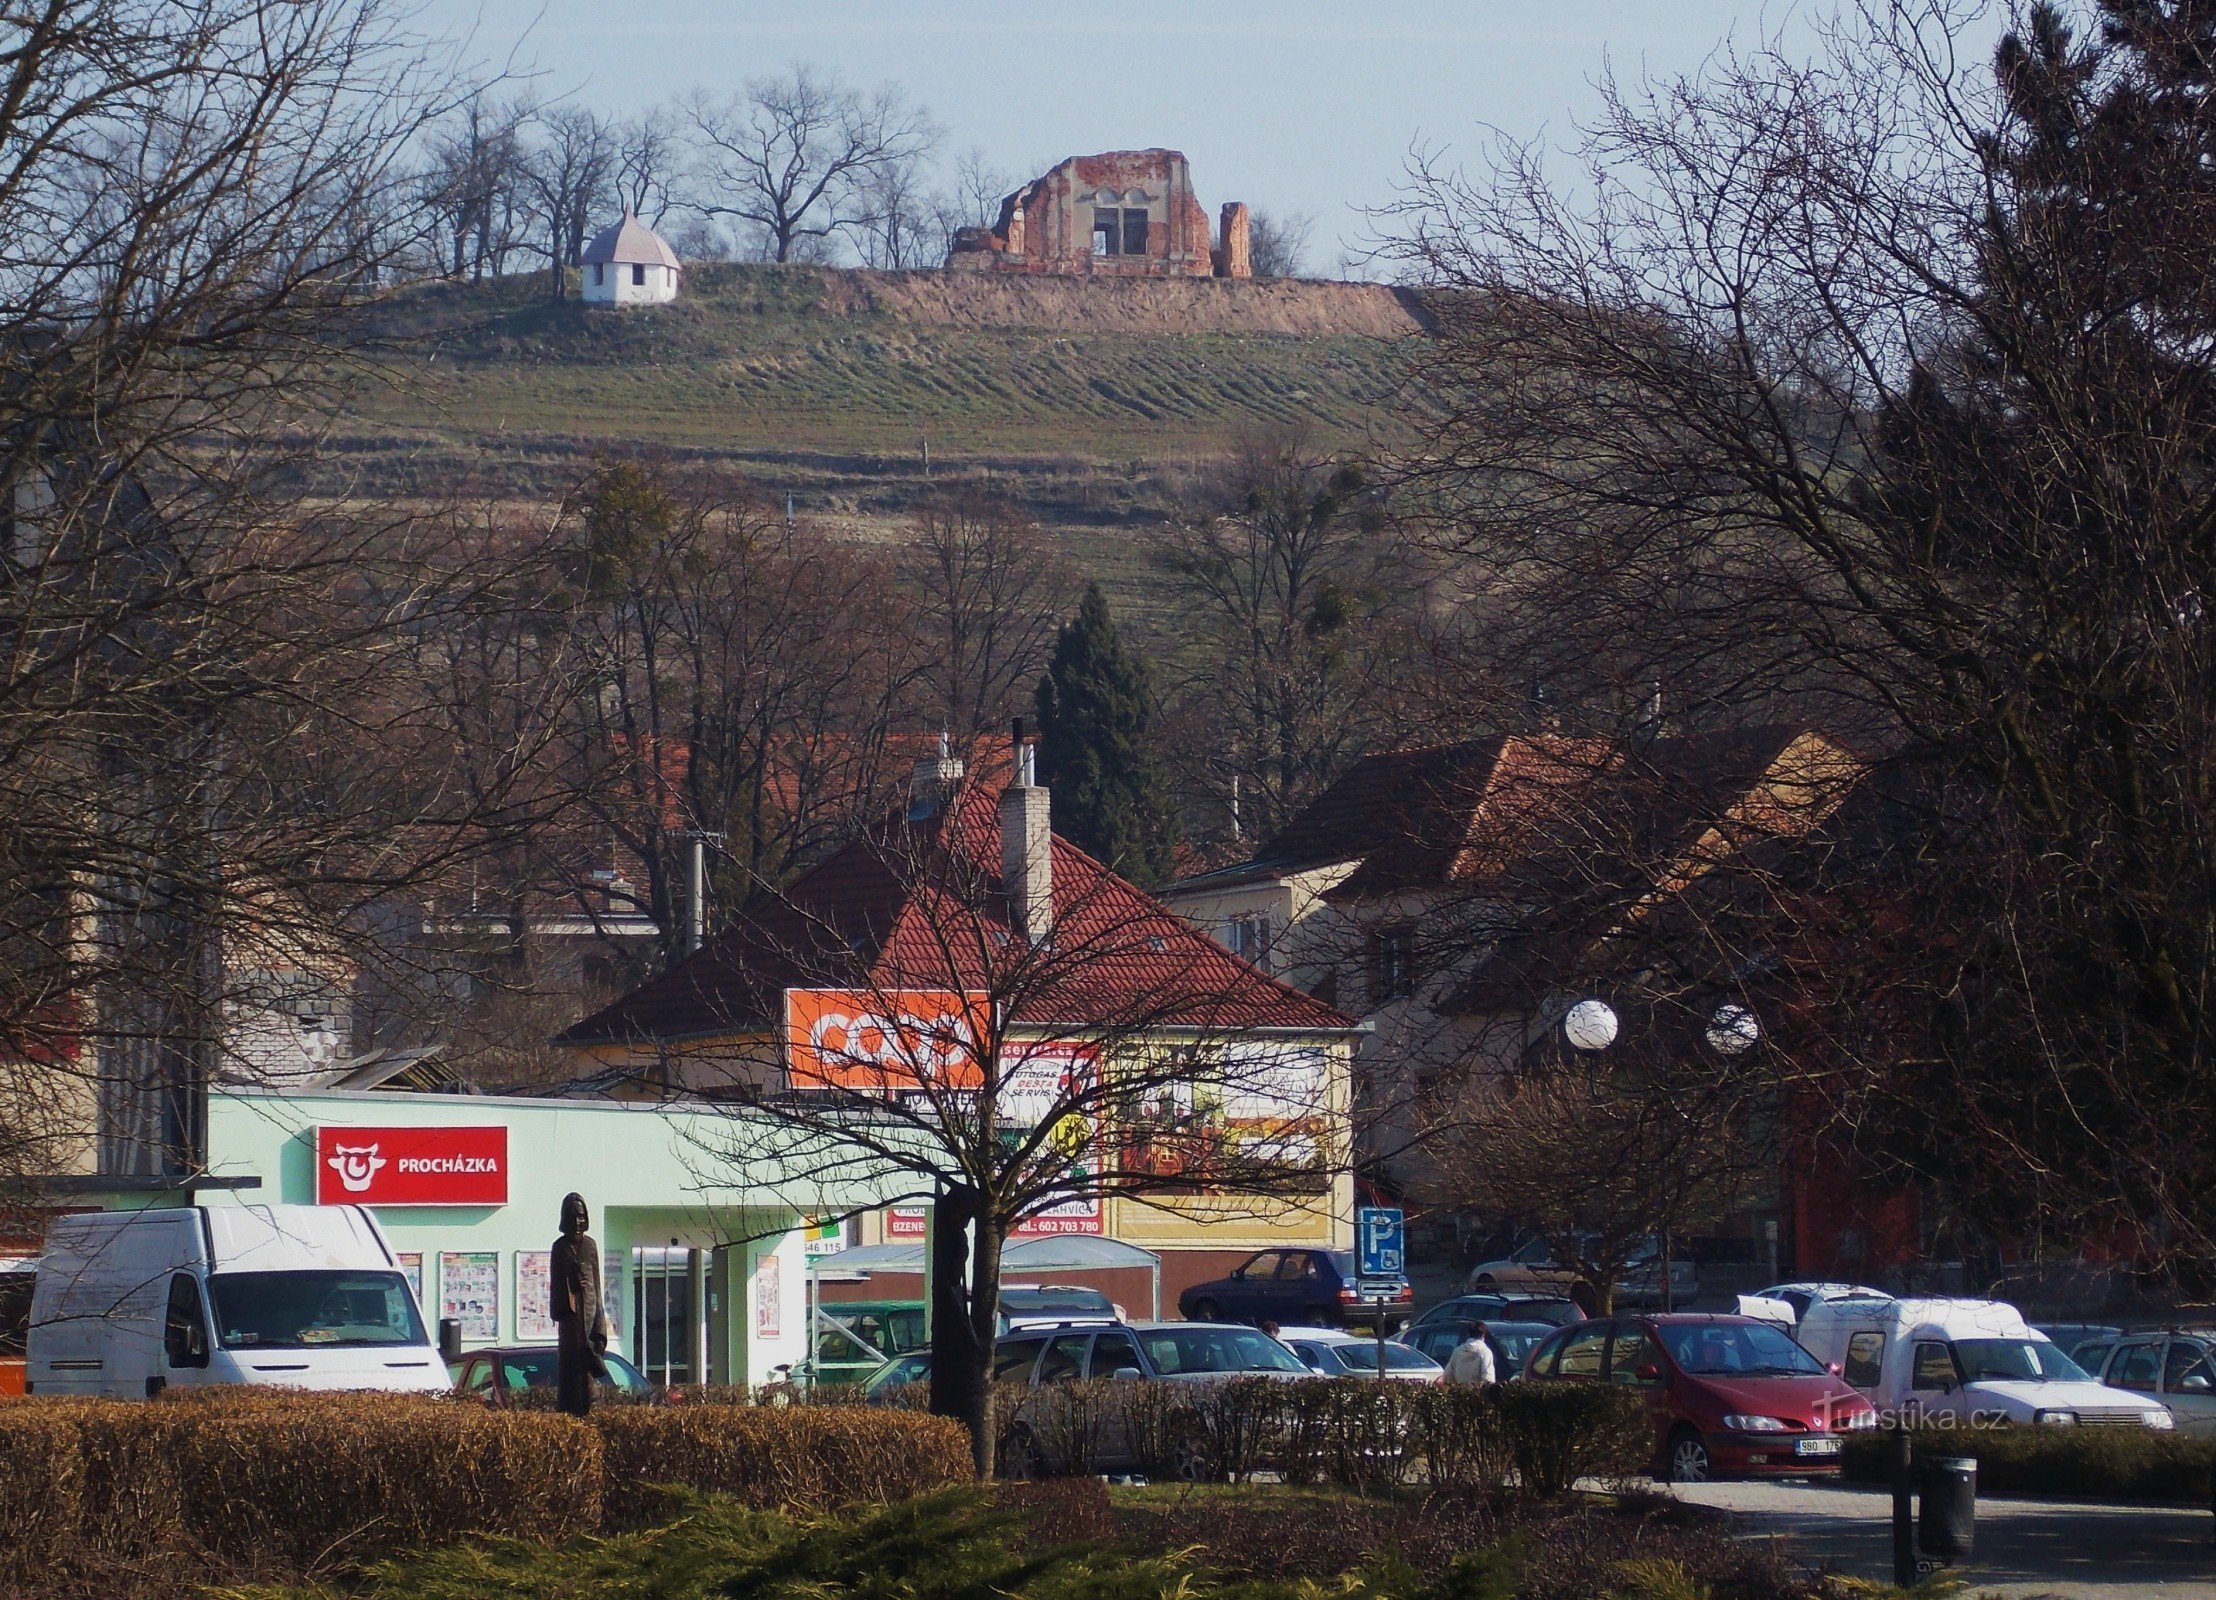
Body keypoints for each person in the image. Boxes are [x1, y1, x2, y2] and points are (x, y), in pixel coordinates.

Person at [550, 1192, 611, 1416]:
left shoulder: (590, 1246)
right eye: (573, 1216)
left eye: (581, 1216)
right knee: (571, 1389)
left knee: (591, 1392)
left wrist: (600, 1329)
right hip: (570, 1333)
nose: (577, 1222)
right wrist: (570, 1286)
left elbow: (597, 1289)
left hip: (590, 1328)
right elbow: (555, 1303)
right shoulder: (560, 1248)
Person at [1447, 1322, 1497, 1387]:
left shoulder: (1457, 1351)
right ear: (1483, 1335)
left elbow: (1448, 1375)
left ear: (1469, 1334)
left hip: (1459, 1390)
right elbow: (1488, 1378)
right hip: (1477, 1392)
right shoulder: (1485, 1352)